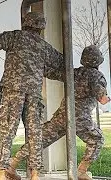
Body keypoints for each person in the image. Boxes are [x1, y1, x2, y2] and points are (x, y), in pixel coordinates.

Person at [0, 11, 64, 180]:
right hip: (34, 95)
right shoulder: (44, 46)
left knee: (7, 131)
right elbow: (61, 62)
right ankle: (34, 173)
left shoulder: (14, 36)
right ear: (40, 28)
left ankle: (1, 172)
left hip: (13, 92)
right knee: (35, 134)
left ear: (25, 23)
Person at [7, 45, 110, 180]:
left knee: (40, 139)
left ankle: (12, 164)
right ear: (98, 61)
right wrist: (107, 98)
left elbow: (52, 73)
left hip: (63, 115)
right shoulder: (97, 76)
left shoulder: (74, 72)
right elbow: (102, 99)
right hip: (80, 117)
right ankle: (81, 171)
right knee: (97, 139)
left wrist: (33, 66)